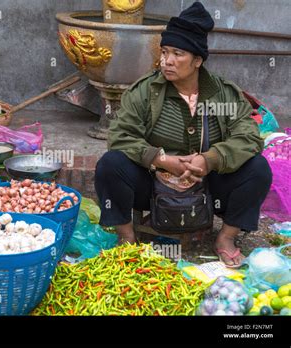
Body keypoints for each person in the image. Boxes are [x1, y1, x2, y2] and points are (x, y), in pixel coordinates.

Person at [95, 2, 272, 267]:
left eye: (178, 53)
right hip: (154, 184)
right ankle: (127, 239)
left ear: (197, 60)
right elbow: (121, 135)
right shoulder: (145, 91)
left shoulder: (224, 93)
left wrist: (209, 160)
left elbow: (248, 137)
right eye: (165, 52)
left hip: (210, 187)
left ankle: (225, 238)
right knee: (111, 164)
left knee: (258, 168)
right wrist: (161, 160)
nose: (167, 60)